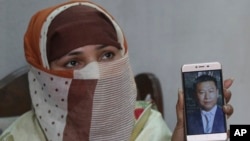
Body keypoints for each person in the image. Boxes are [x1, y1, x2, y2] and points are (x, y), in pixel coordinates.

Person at [0, 0, 234, 141]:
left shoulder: (147, 125)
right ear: (43, 75)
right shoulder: (18, 136)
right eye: (73, 62)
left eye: (107, 55)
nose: (96, 73)